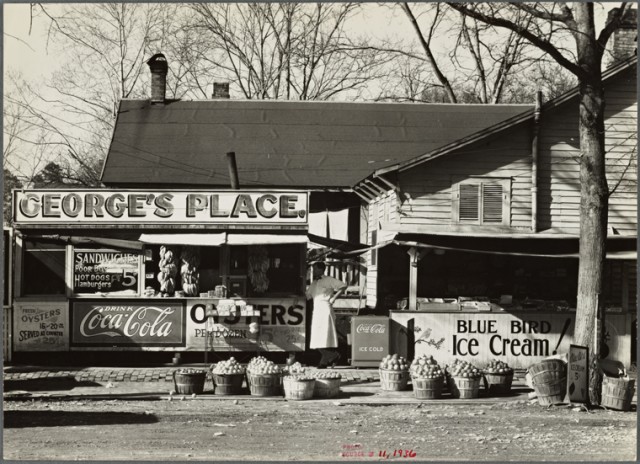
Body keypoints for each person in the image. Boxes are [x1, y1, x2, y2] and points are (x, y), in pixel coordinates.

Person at [306, 261, 348, 368]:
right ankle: (330, 357)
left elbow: (343, 286)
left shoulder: (329, 280)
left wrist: (334, 298)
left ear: (321, 269)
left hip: (325, 310)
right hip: (317, 310)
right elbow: (308, 296)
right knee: (316, 337)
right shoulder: (314, 283)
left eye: (315, 269)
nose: (313, 271)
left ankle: (327, 359)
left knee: (324, 335)